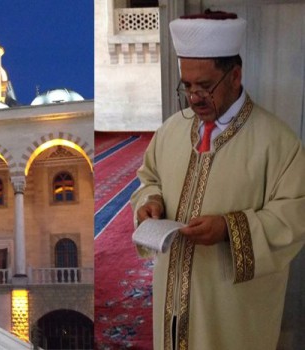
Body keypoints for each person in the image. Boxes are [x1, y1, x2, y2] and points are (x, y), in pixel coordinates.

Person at [130, 10, 305, 350]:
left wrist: (228, 229)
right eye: (188, 86)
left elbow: (294, 217)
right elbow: (148, 178)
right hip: (172, 295)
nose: (194, 97)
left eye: (206, 86)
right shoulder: (170, 131)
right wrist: (150, 202)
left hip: (232, 310)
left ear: (235, 75)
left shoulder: (277, 141)